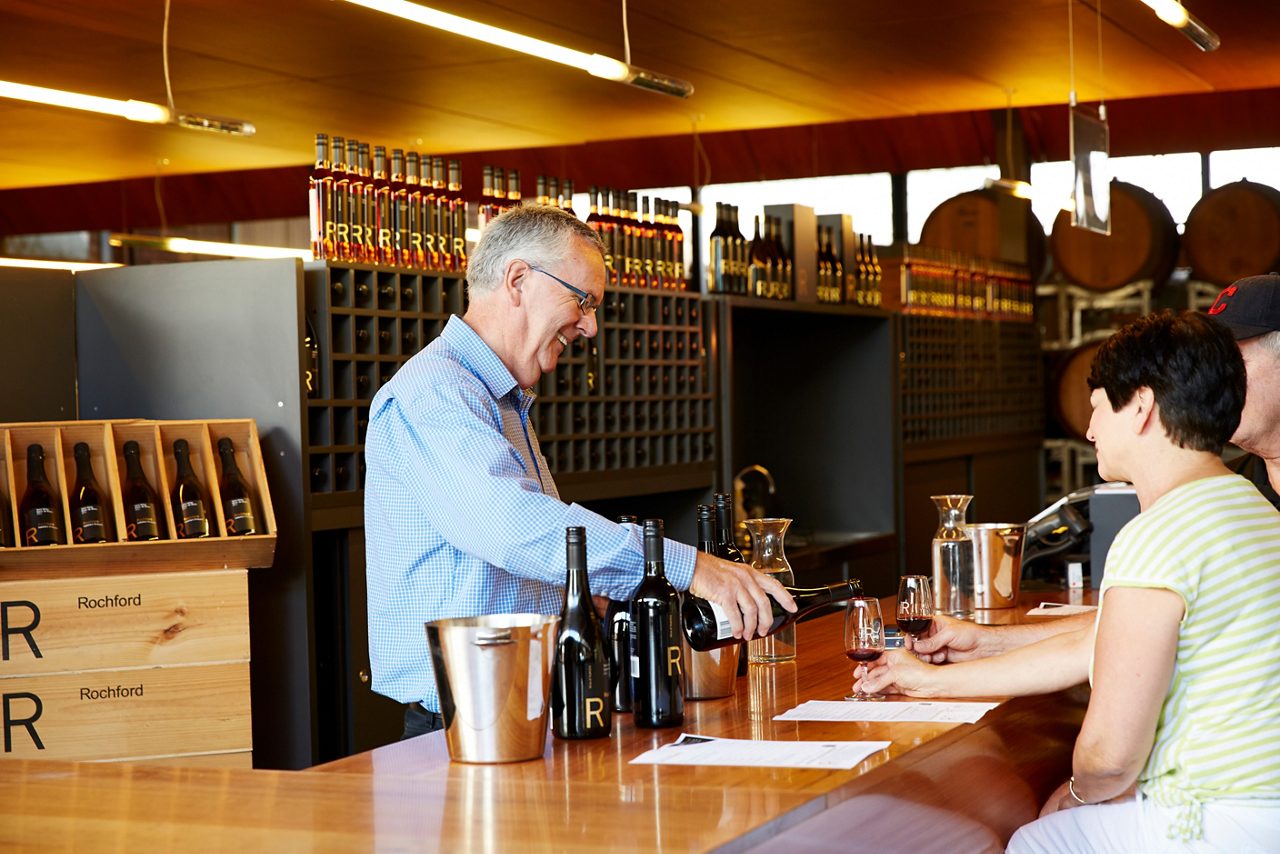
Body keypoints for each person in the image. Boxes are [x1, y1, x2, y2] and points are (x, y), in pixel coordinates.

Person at [364, 204, 794, 738]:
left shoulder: (500, 401)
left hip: (521, 712)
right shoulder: (435, 393)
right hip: (460, 725)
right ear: (517, 279)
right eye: (582, 300)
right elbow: (512, 527)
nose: (589, 326)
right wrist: (686, 568)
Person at [867, 311, 1280, 850]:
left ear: (1139, 407)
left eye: (1097, 407)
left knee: (1034, 841)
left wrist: (1078, 795)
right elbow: (1104, 644)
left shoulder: (1160, 534)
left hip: (1210, 817)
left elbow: (1109, 757)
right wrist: (935, 674)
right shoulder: (1253, 510)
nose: (1088, 430)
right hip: (1258, 808)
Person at [883, 272, 1280, 671]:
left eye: (1232, 361)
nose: (1215, 379)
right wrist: (988, 642)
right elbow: (1138, 626)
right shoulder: (1234, 489)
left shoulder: (1204, 513)